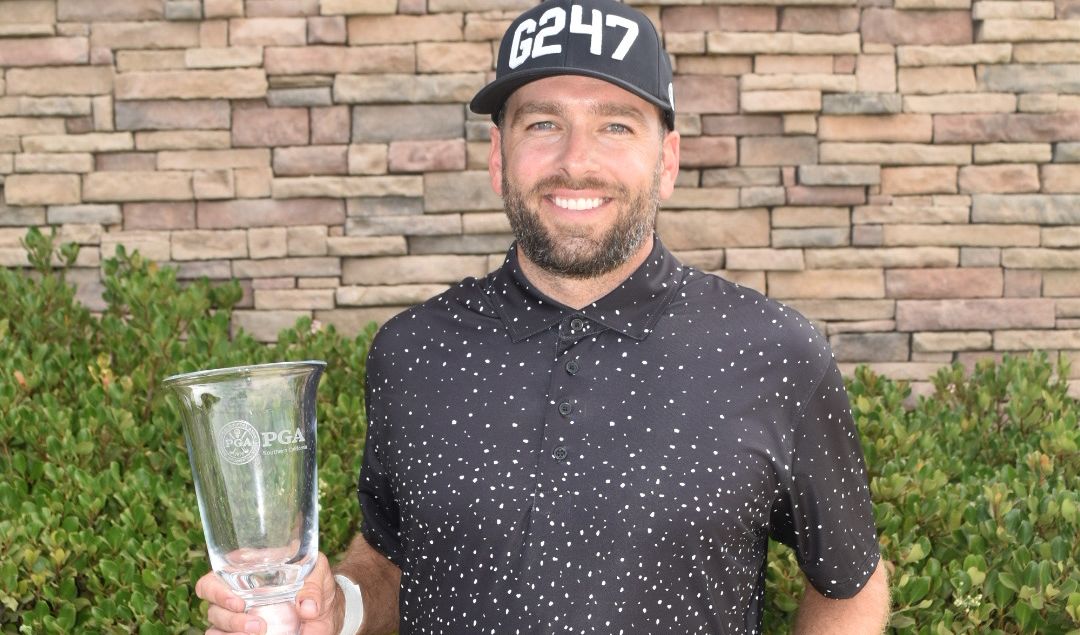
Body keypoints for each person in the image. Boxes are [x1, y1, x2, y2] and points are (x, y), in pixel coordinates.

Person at [196, 0, 891, 632]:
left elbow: (849, 584)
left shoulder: (772, 352)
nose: (575, 161)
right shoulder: (411, 353)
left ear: (667, 161)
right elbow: (393, 561)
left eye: (615, 125)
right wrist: (334, 608)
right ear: (499, 157)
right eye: (543, 123)